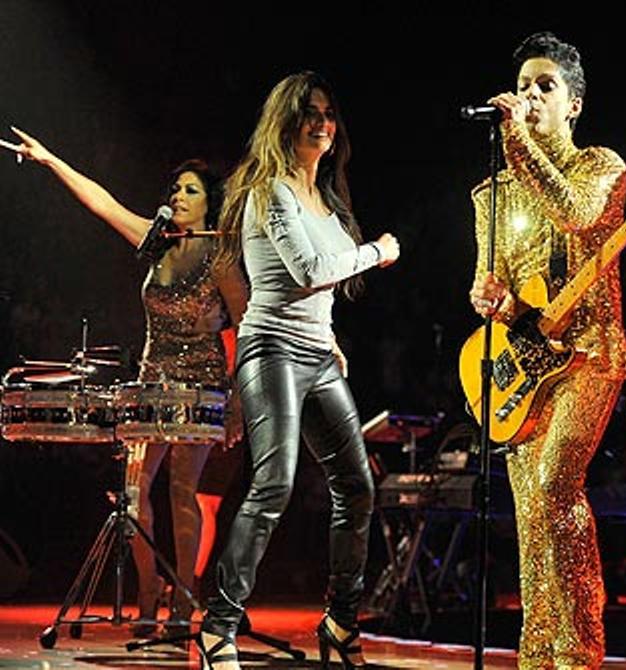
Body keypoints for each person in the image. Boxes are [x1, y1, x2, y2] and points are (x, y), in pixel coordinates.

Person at [8, 128, 248, 638]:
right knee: (132, 494)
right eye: (176, 189)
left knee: (183, 491)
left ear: (210, 204)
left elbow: (246, 327)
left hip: (201, 384)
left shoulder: (222, 257)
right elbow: (102, 202)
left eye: (190, 191)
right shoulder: (156, 242)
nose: (177, 197)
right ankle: (147, 590)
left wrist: (237, 404)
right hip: (152, 377)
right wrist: (51, 159)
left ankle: (184, 602)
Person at [197, 71, 398, 670]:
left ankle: (340, 619)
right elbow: (309, 270)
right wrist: (378, 253)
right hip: (271, 350)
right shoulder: (270, 191)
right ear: (284, 123)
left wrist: (329, 337)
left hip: (316, 354)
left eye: (329, 113)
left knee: (358, 488)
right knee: (275, 483)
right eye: (309, 112)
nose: (321, 122)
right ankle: (218, 627)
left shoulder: (326, 200)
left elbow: (317, 295)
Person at [468, 31, 626, 670]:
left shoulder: (602, 166)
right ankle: (536, 656)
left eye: (546, 86)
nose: (531, 95)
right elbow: (496, 284)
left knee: (556, 482)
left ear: (574, 105)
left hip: (590, 355)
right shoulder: (489, 194)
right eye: (524, 85)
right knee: (531, 511)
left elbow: (574, 215)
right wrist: (490, 297)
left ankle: (580, 655)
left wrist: (517, 142)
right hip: (528, 367)